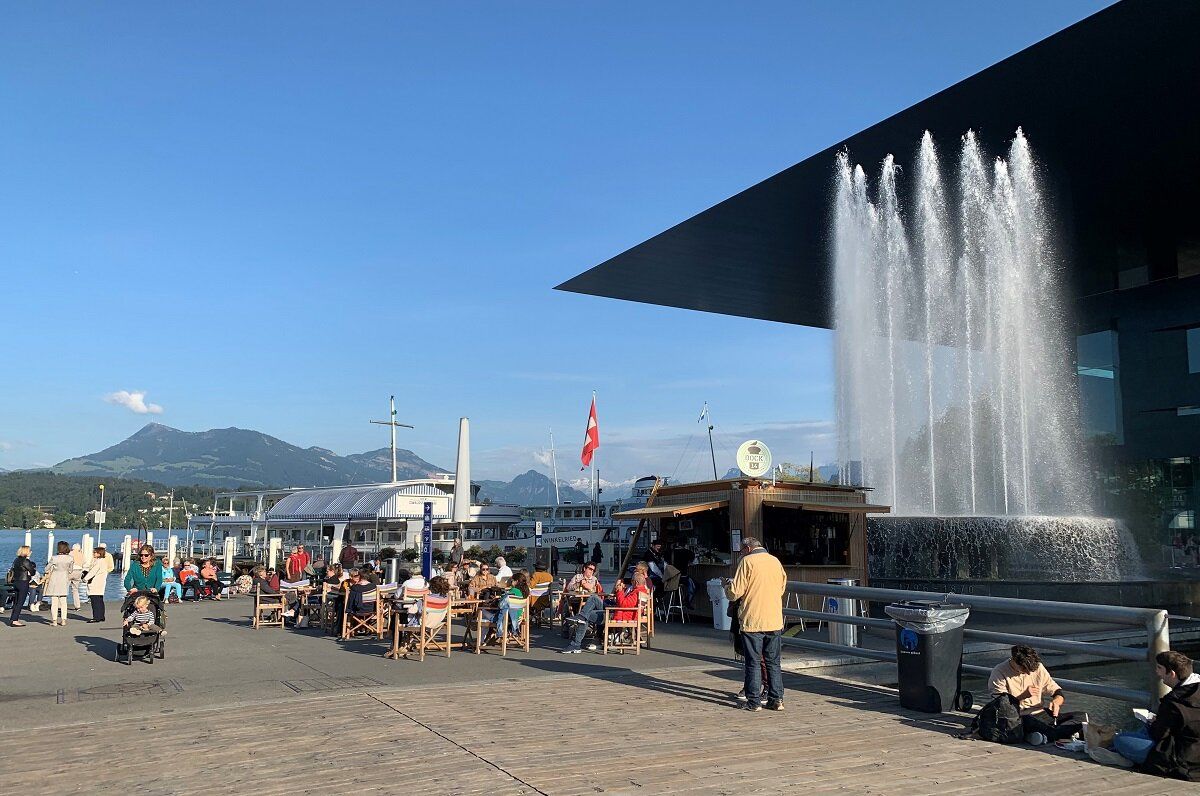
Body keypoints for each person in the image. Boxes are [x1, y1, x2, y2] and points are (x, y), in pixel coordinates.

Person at [1111, 650, 1200, 779]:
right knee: (1143, 730)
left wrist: (1155, 723)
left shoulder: (1173, 701)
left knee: (1120, 739)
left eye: (1159, 668)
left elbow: (1160, 735)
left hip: (1182, 760)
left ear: (1172, 673)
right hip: (1193, 749)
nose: (1157, 673)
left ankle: (1119, 752)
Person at [723, 537, 786, 711]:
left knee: (753, 662)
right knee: (773, 662)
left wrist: (726, 587)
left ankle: (753, 701)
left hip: (753, 619)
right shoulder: (775, 561)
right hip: (773, 618)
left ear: (748, 548)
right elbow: (781, 587)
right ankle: (776, 699)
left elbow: (736, 592)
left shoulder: (747, 562)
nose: (741, 553)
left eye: (742, 550)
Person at [986, 645, 1083, 743]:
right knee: (1049, 729)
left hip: (1041, 712)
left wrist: (1056, 702)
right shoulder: (999, 671)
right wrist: (1023, 696)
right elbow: (1000, 705)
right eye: (1024, 669)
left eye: (1031, 670)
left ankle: (1046, 735)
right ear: (1014, 661)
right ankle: (1060, 734)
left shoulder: (1038, 667)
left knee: (1083, 717)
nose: (1028, 673)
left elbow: (1056, 691)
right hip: (1020, 716)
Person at [44, 540, 76, 627]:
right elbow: (70, 570)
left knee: (54, 601)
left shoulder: (54, 558)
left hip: (55, 579)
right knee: (63, 601)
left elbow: (46, 569)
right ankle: (63, 620)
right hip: (64, 579)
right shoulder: (70, 558)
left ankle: (54, 621)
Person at [8, 544, 36, 627]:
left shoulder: (16, 560)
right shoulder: (26, 561)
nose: (31, 552)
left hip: (16, 581)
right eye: (29, 551)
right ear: (26, 552)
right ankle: (15, 620)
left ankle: (13, 618)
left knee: (16, 601)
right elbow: (33, 572)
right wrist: (30, 572)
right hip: (23, 582)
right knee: (20, 602)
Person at [83, 547, 110, 623]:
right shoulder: (103, 561)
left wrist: (85, 578)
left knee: (95, 601)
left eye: (95, 552)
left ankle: (96, 617)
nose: (93, 553)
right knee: (100, 600)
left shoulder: (99, 562)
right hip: (100, 583)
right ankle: (101, 616)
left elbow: (93, 571)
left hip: (96, 584)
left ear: (99, 553)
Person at [69, 543, 85, 609]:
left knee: (65, 588)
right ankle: (77, 605)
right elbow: (84, 562)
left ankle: (60, 605)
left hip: (71, 571)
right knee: (75, 589)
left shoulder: (70, 553)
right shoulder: (81, 555)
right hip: (79, 571)